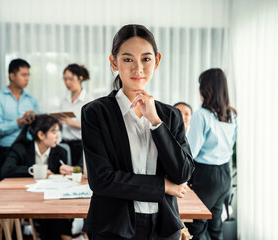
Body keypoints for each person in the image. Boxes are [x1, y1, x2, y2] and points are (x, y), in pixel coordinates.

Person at [81, 24, 195, 240]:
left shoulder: (170, 116)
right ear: (114, 62)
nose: (138, 69)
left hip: (164, 228)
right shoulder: (95, 113)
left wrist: (155, 122)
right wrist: (162, 186)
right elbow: (101, 179)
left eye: (145, 59)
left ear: (157, 60)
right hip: (113, 228)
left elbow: (182, 173)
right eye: (127, 59)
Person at [1, 115, 73, 240]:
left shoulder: (61, 152)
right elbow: (6, 170)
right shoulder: (20, 148)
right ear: (41, 135)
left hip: (51, 200)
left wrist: (64, 171)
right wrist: (35, 171)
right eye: (54, 131)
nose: (58, 136)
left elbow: (60, 180)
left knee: (57, 215)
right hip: (25, 199)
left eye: (58, 132)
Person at [185, 68, 237, 240]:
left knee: (196, 226)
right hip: (225, 175)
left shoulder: (201, 116)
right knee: (215, 226)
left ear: (207, 89)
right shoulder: (231, 115)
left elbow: (191, 151)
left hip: (207, 176)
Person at [0, 58, 39, 179]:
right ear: (12, 76)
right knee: (5, 188)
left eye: (28, 75)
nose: (27, 78)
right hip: (7, 149)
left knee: (30, 186)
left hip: (27, 150)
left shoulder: (31, 100)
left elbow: (38, 127)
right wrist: (20, 121)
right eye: (23, 75)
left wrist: (35, 121)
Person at [59, 64, 92, 169]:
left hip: (80, 145)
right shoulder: (65, 100)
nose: (67, 82)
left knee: (79, 175)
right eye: (65, 79)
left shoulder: (88, 101)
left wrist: (72, 123)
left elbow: (93, 127)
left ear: (80, 78)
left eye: (71, 79)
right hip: (64, 144)